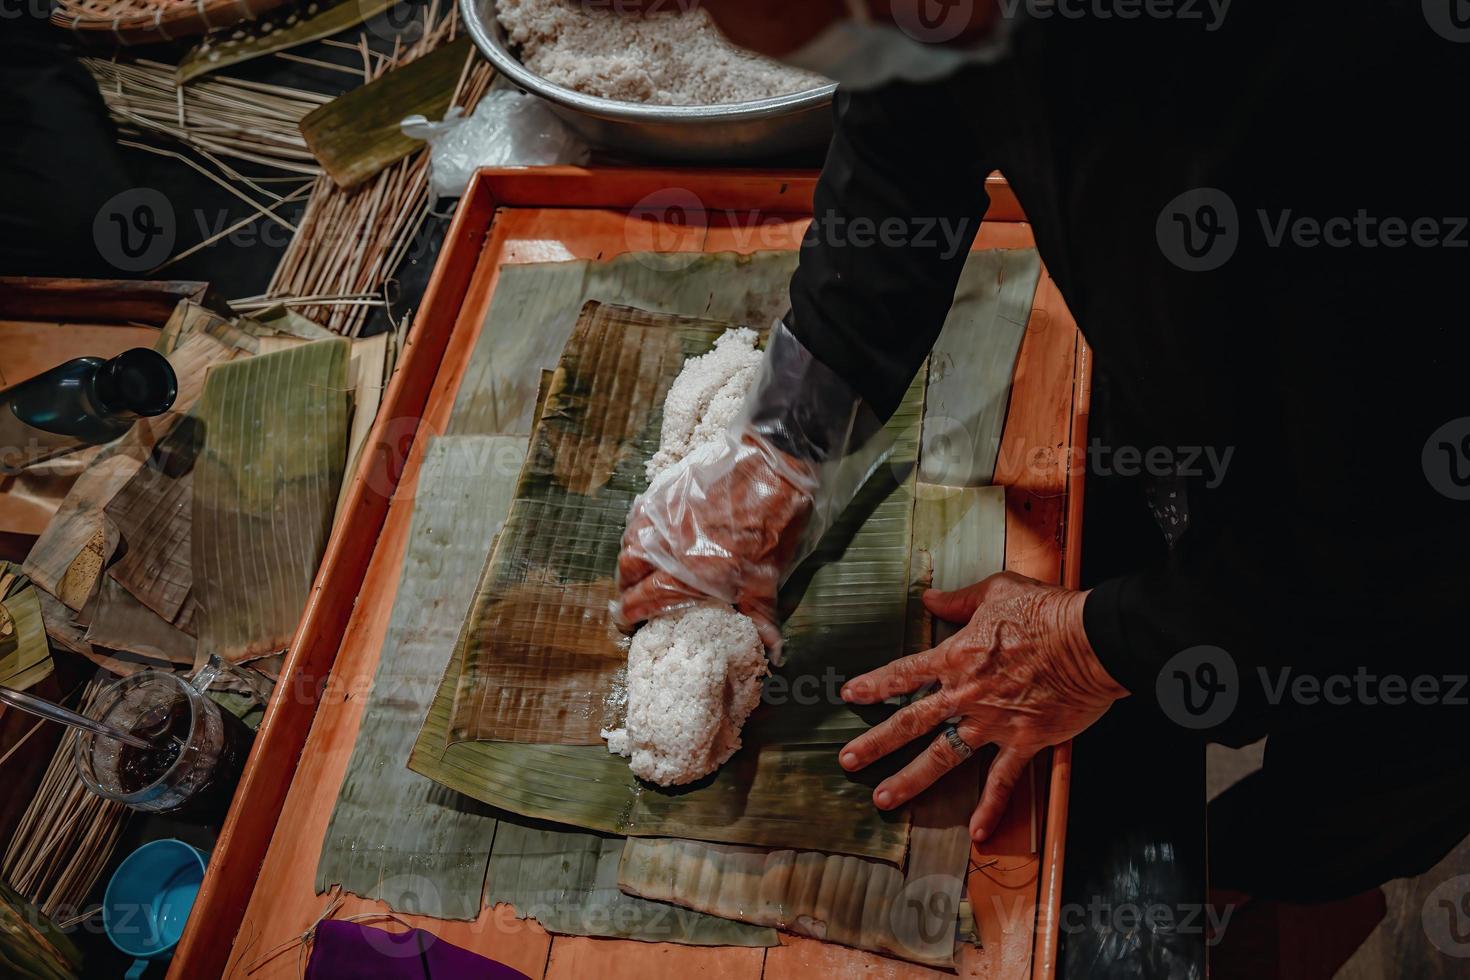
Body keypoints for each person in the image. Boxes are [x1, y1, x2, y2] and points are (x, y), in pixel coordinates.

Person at [614, 0, 1470, 911]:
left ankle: (1284, 889)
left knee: (1341, 811)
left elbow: (1388, 547)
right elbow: (909, 121)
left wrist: (1091, 645)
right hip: (1281, 458)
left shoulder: (1369, 93)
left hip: (1420, 601)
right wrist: (789, 431)